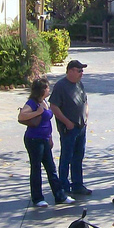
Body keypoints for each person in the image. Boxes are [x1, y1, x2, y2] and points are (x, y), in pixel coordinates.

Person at [19, 77, 70, 209]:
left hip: (45, 138)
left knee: (51, 168)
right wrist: (37, 112)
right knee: (36, 168)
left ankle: (60, 196)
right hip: (34, 139)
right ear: (41, 90)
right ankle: (37, 198)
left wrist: (50, 138)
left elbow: (47, 121)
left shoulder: (45, 102)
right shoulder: (32, 103)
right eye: (47, 87)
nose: (49, 89)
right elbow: (22, 116)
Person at [50, 59, 92, 198]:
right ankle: (63, 185)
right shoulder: (61, 86)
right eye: (79, 71)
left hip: (81, 127)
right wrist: (66, 122)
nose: (81, 73)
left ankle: (78, 185)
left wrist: (86, 116)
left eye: (82, 71)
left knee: (78, 157)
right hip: (68, 128)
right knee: (66, 157)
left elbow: (85, 102)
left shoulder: (79, 84)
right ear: (70, 71)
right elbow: (54, 106)